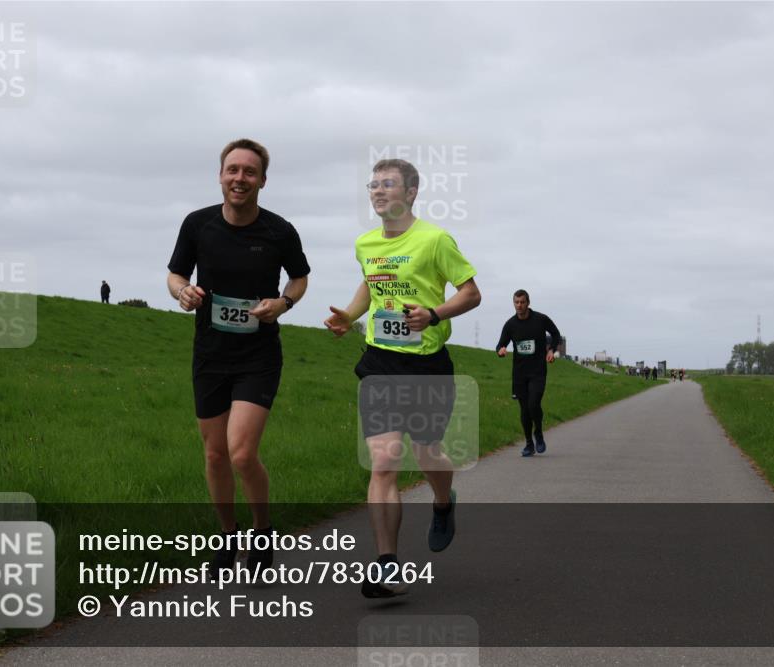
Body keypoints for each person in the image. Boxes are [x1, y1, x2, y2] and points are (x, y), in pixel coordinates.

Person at [324, 158, 481, 598]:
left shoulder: (435, 240)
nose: (377, 191)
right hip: (380, 363)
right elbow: (371, 284)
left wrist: (433, 314)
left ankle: (443, 503)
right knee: (384, 461)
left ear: (411, 192)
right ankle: (387, 565)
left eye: (387, 184)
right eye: (373, 185)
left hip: (427, 364)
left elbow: (471, 293)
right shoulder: (366, 243)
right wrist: (349, 316)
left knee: (428, 452)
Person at [166, 138, 310, 576]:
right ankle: (228, 537)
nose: (240, 178)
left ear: (263, 180)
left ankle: (262, 531)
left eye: (249, 171)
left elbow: (300, 278)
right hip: (210, 354)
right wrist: (182, 292)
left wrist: (283, 303)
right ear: (220, 176)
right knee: (215, 456)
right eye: (233, 170)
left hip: (257, 355)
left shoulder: (279, 231)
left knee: (242, 453)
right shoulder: (198, 224)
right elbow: (175, 274)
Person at [496, 290, 561, 456]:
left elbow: (556, 334)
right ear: (513, 303)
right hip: (519, 374)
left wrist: (551, 350)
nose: (519, 305)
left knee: (533, 404)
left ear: (528, 302)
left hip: (538, 371)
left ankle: (538, 433)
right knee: (524, 410)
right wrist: (501, 350)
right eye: (516, 302)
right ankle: (528, 444)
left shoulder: (540, 319)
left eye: (522, 302)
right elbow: (500, 344)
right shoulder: (510, 325)